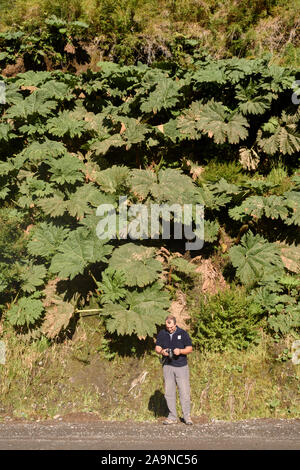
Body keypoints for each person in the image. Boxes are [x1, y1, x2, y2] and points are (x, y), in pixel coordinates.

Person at [155, 315, 193, 425]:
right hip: (167, 366)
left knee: (184, 392)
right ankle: (172, 416)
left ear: (175, 324)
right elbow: (157, 347)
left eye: (171, 327)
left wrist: (180, 351)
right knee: (169, 392)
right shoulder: (162, 333)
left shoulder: (183, 333)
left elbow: (190, 348)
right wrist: (162, 351)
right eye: (168, 327)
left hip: (181, 366)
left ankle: (187, 416)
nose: (170, 329)